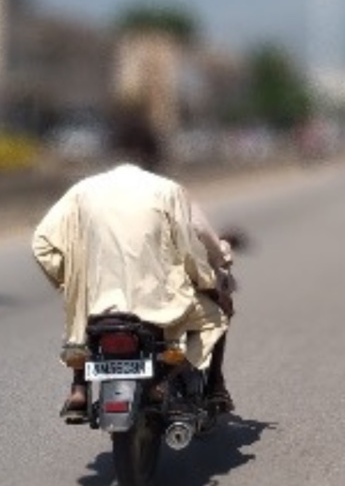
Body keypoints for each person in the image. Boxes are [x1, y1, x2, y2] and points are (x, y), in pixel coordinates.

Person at [31, 122, 236, 423]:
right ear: (154, 156)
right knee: (216, 315)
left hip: (97, 308)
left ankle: (79, 388)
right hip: (156, 308)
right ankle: (170, 380)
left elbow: (42, 243)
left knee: (81, 329)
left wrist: (69, 281)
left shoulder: (81, 191)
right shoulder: (167, 190)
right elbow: (191, 250)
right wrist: (210, 283)